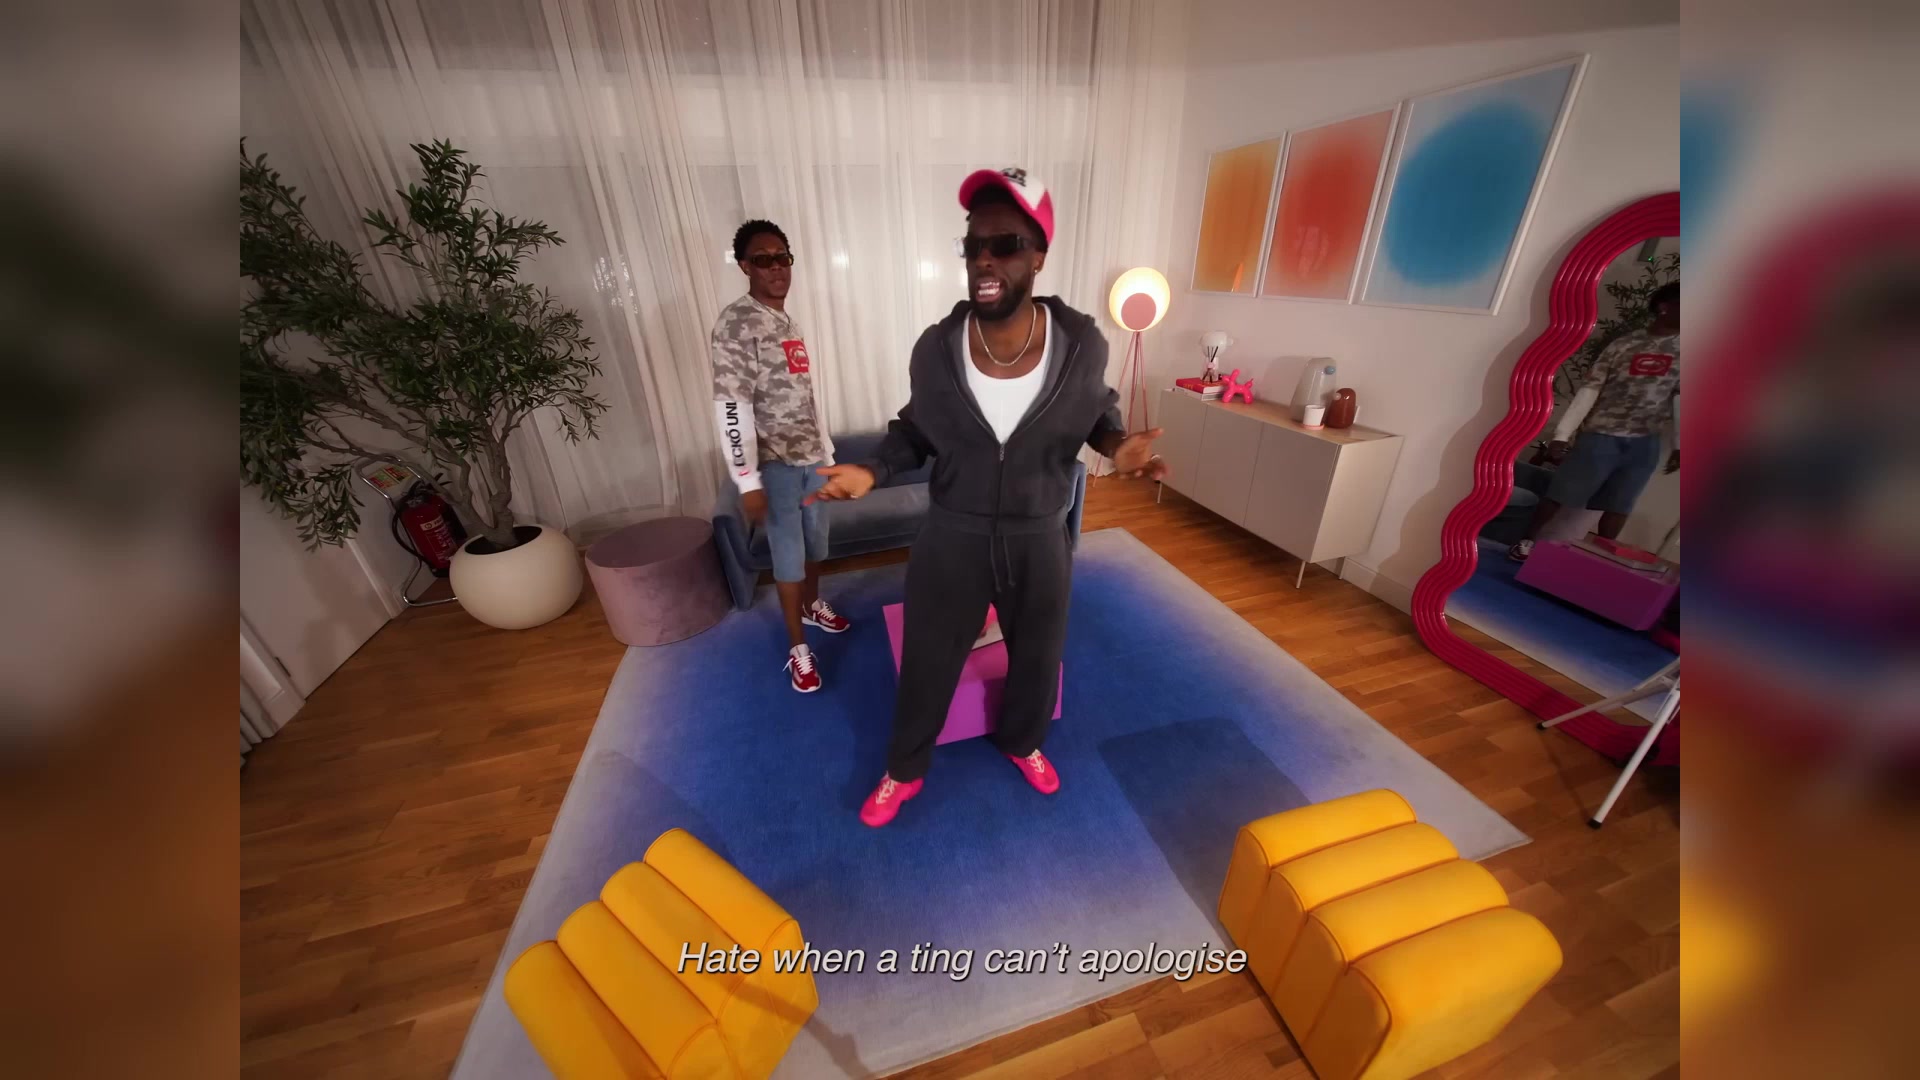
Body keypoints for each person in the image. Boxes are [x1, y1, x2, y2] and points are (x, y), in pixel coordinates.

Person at [807, 167, 1167, 826]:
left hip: (1039, 532)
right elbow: (915, 429)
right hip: (954, 532)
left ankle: (1022, 741)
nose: (983, 259)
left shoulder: (1081, 344)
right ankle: (904, 769)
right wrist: (873, 471)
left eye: (1004, 244)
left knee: (1038, 654)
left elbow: (1097, 415)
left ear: (1039, 256)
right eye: (973, 245)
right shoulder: (937, 348)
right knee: (928, 658)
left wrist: (1119, 448)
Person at [710, 219, 850, 693]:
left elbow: (806, 395)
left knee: (816, 546)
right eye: (763, 259)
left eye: (782, 257)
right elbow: (732, 406)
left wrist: (827, 452)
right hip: (776, 468)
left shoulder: (788, 321)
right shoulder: (736, 323)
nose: (776, 267)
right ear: (745, 266)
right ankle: (798, 650)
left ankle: (812, 606)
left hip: (813, 461)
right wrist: (747, 481)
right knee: (788, 559)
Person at [1511, 281, 1680, 561]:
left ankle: (1603, 559)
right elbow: (1590, 389)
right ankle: (1525, 542)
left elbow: (1680, 398)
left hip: (1645, 441)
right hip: (1601, 434)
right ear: (1665, 307)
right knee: (1563, 492)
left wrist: (1679, 444)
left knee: (1619, 504)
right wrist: (1562, 435)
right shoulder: (1624, 345)